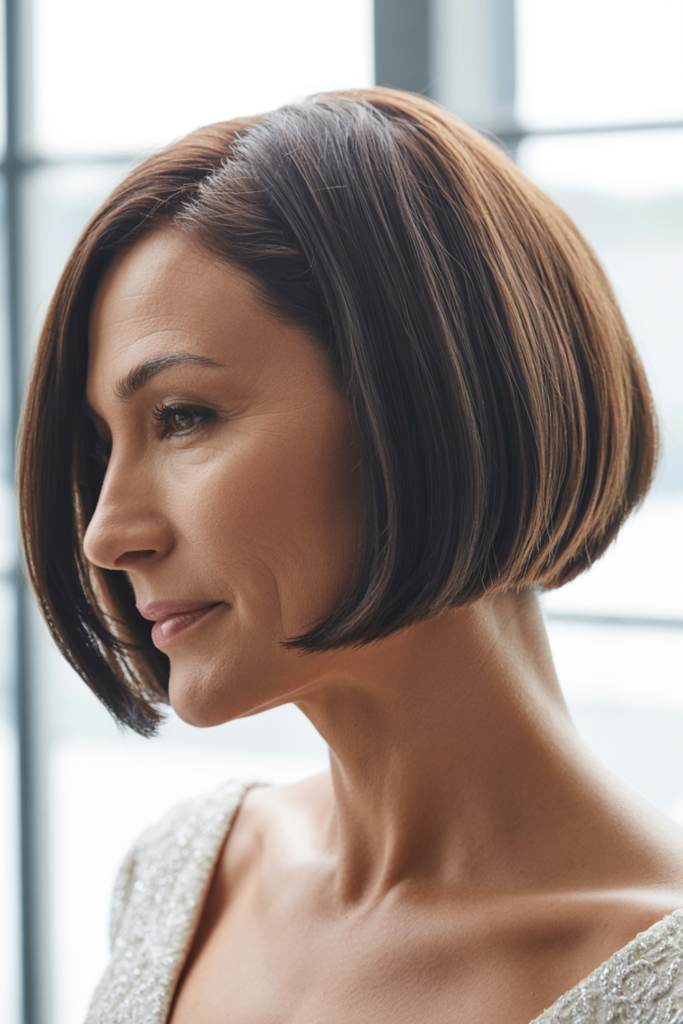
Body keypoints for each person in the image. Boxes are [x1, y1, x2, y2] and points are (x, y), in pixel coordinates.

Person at [19, 88, 683, 1024]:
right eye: (102, 445)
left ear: (422, 404)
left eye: (181, 418)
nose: (106, 530)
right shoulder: (183, 874)